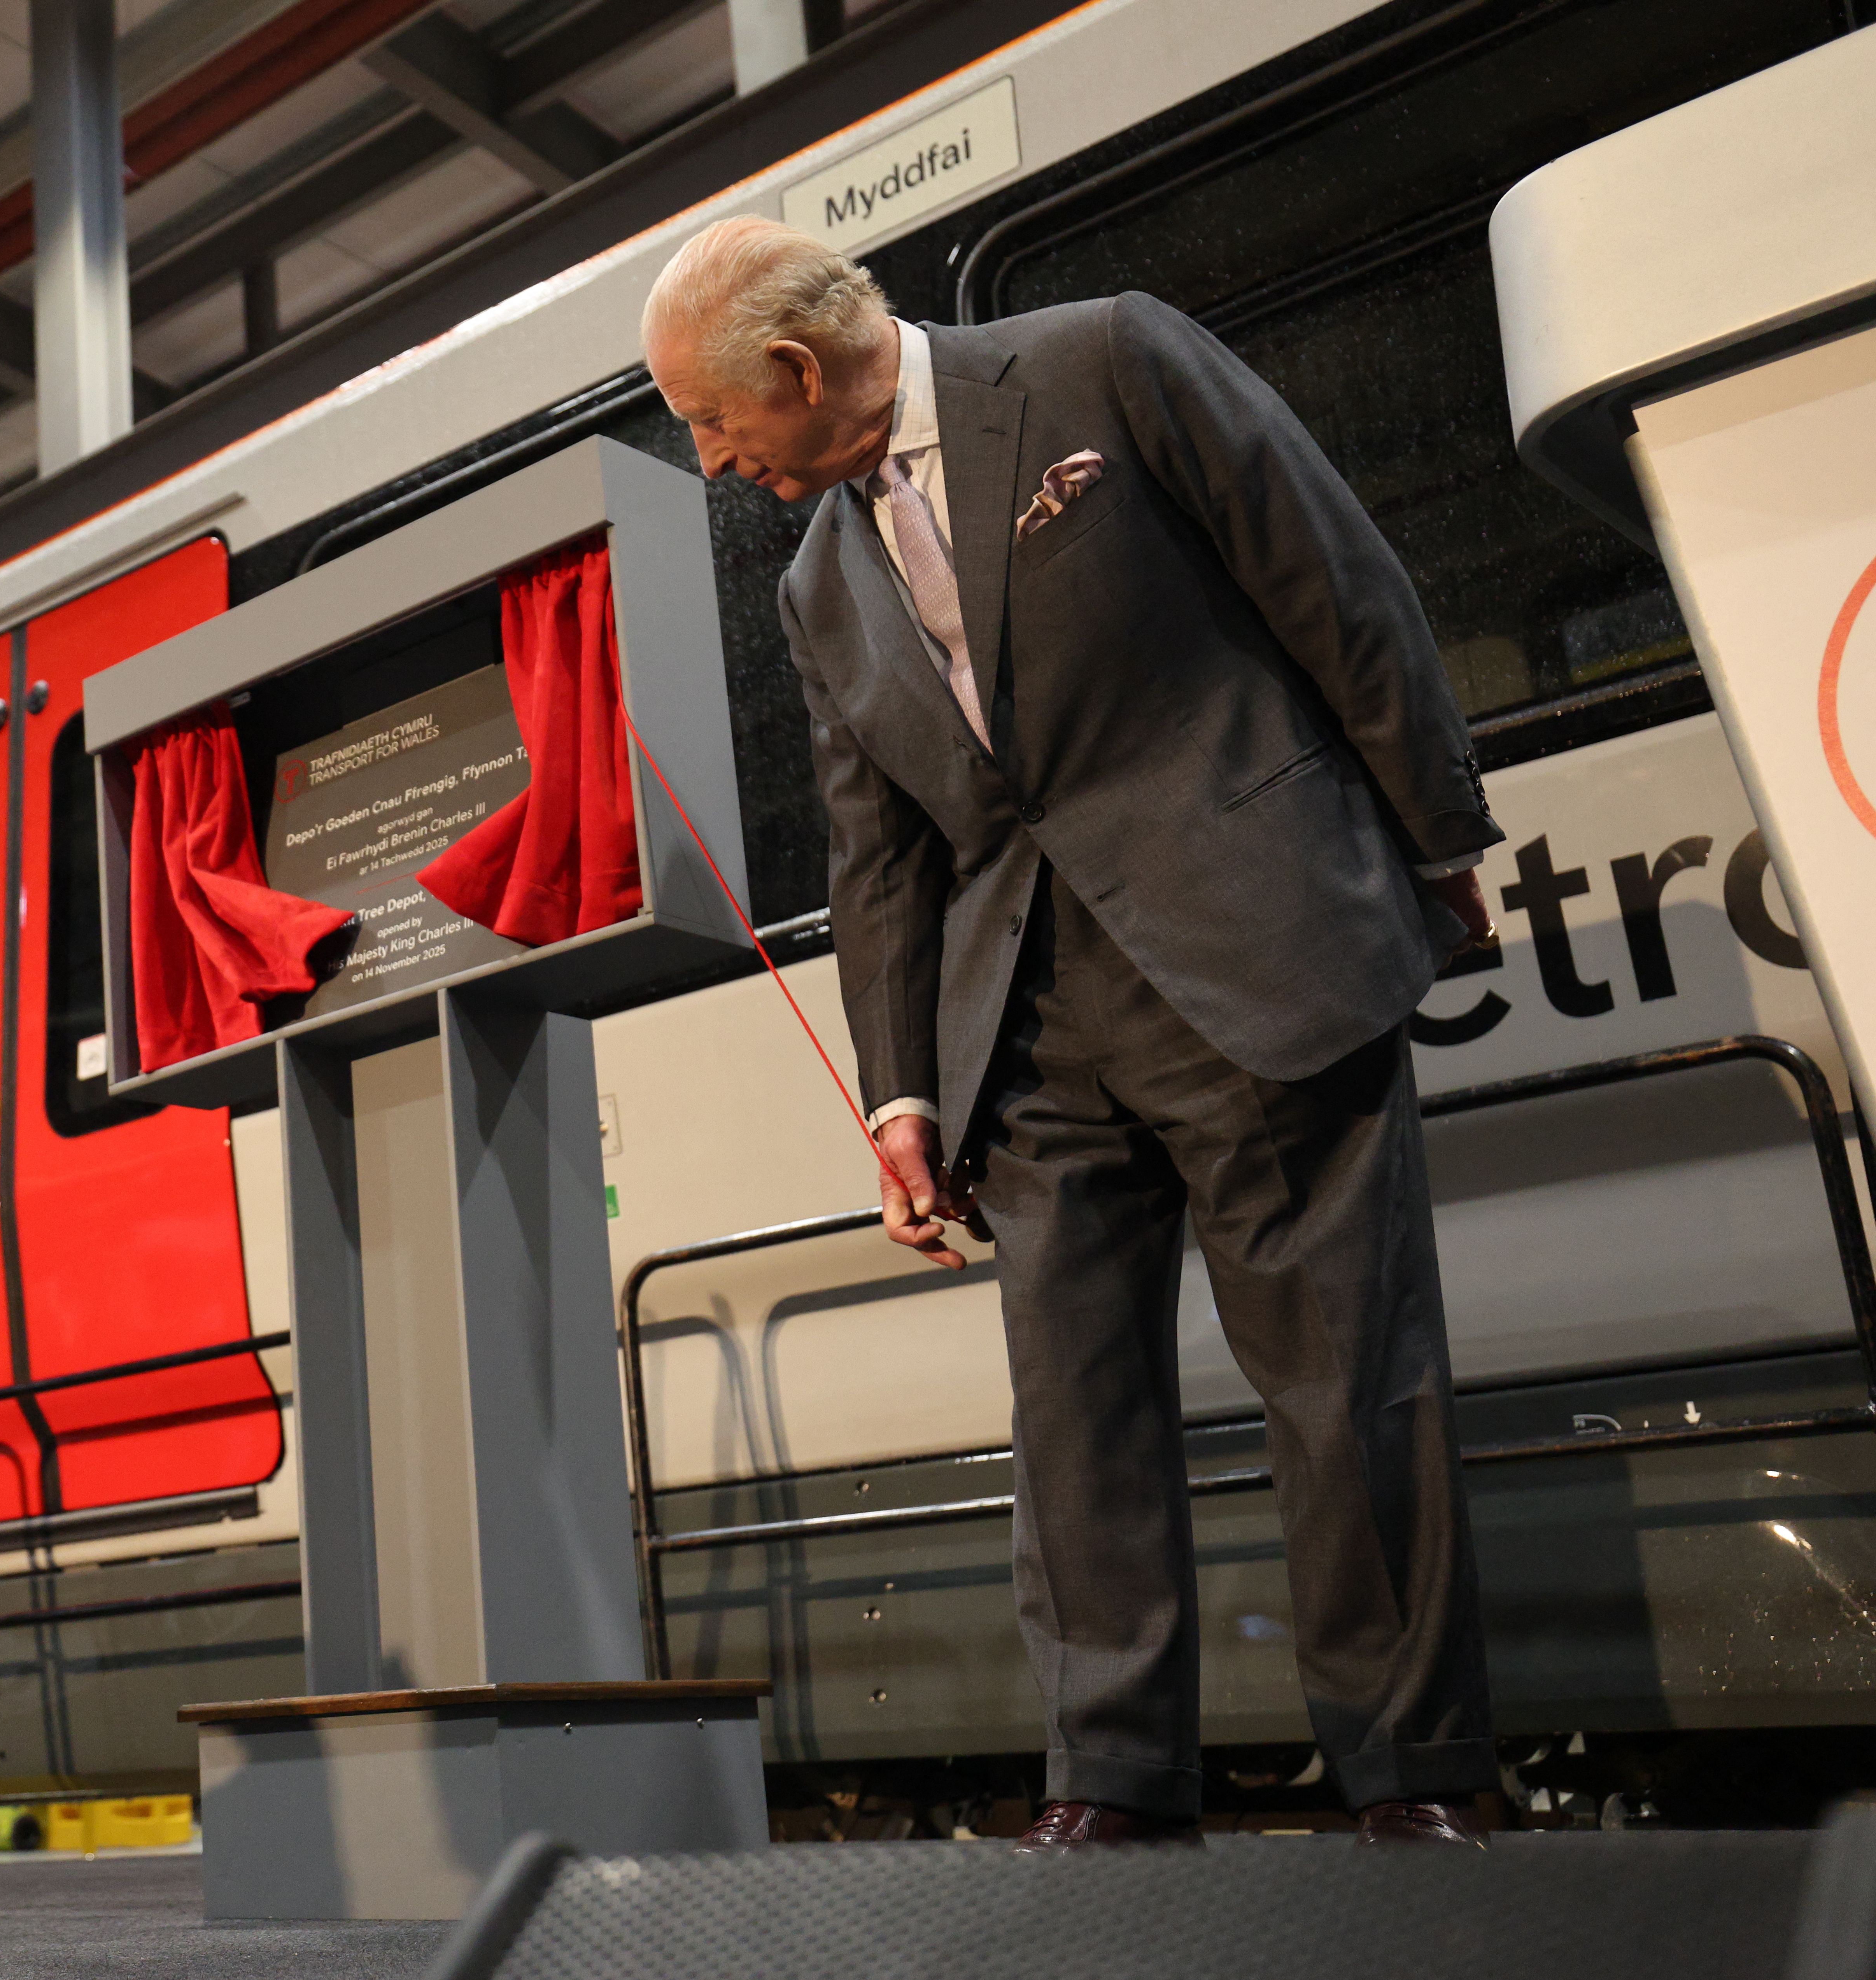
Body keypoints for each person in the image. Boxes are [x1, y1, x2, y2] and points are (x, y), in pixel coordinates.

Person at [640, 217, 1501, 1849]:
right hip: (1022, 1039)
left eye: (709, 418)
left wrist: (1433, 840)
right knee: (1075, 1424)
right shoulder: (819, 581)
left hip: (1253, 954)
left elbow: (1333, 581)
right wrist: (898, 1092)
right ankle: (1109, 1781)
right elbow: (876, 853)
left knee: (1345, 1382)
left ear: (795, 370)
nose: (711, 458)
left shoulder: (1107, 358)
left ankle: (1415, 1774)